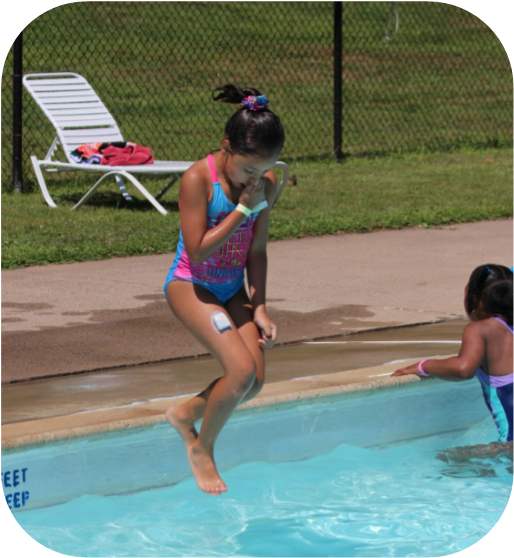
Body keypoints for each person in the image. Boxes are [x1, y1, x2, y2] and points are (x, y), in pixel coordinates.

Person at [163, 84, 285, 495]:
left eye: (263, 170)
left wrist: (261, 307)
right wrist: (242, 211)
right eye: (248, 169)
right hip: (191, 285)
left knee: (254, 382)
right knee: (240, 371)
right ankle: (201, 449)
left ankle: (185, 414)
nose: (255, 178)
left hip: (233, 287)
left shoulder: (264, 181)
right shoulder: (199, 179)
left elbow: (259, 250)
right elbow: (196, 251)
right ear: (226, 147)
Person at [392, 264, 514, 445]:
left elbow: (463, 369)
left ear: (473, 299)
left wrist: (423, 366)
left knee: (451, 462)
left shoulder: (481, 329)